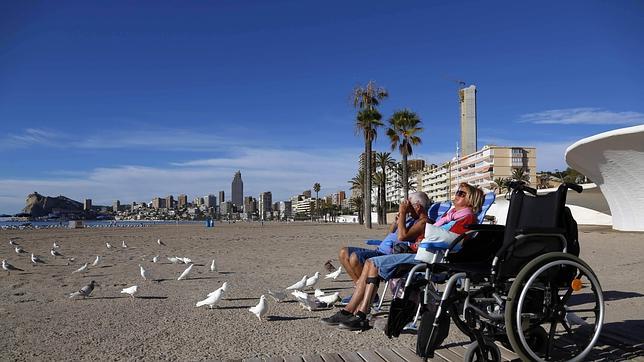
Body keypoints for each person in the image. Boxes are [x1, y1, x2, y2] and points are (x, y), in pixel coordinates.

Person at [321, 183, 484, 331]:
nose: (456, 194)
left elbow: (451, 241)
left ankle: (359, 314)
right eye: (457, 192)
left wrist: (422, 240)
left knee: (372, 263)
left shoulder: (466, 218)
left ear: (471, 200)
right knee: (370, 263)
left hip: (431, 258)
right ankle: (353, 313)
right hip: (423, 253)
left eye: (461, 193)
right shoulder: (452, 216)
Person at [337, 191, 430, 283]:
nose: (407, 207)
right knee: (343, 252)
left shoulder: (421, 222)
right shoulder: (408, 219)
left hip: (388, 255)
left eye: (409, 204)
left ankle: (365, 293)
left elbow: (402, 237)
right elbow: (391, 233)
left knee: (355, 258)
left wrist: (402, 212)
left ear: (417, 206)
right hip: (379, 250)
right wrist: (396, 222)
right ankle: (359, 287)